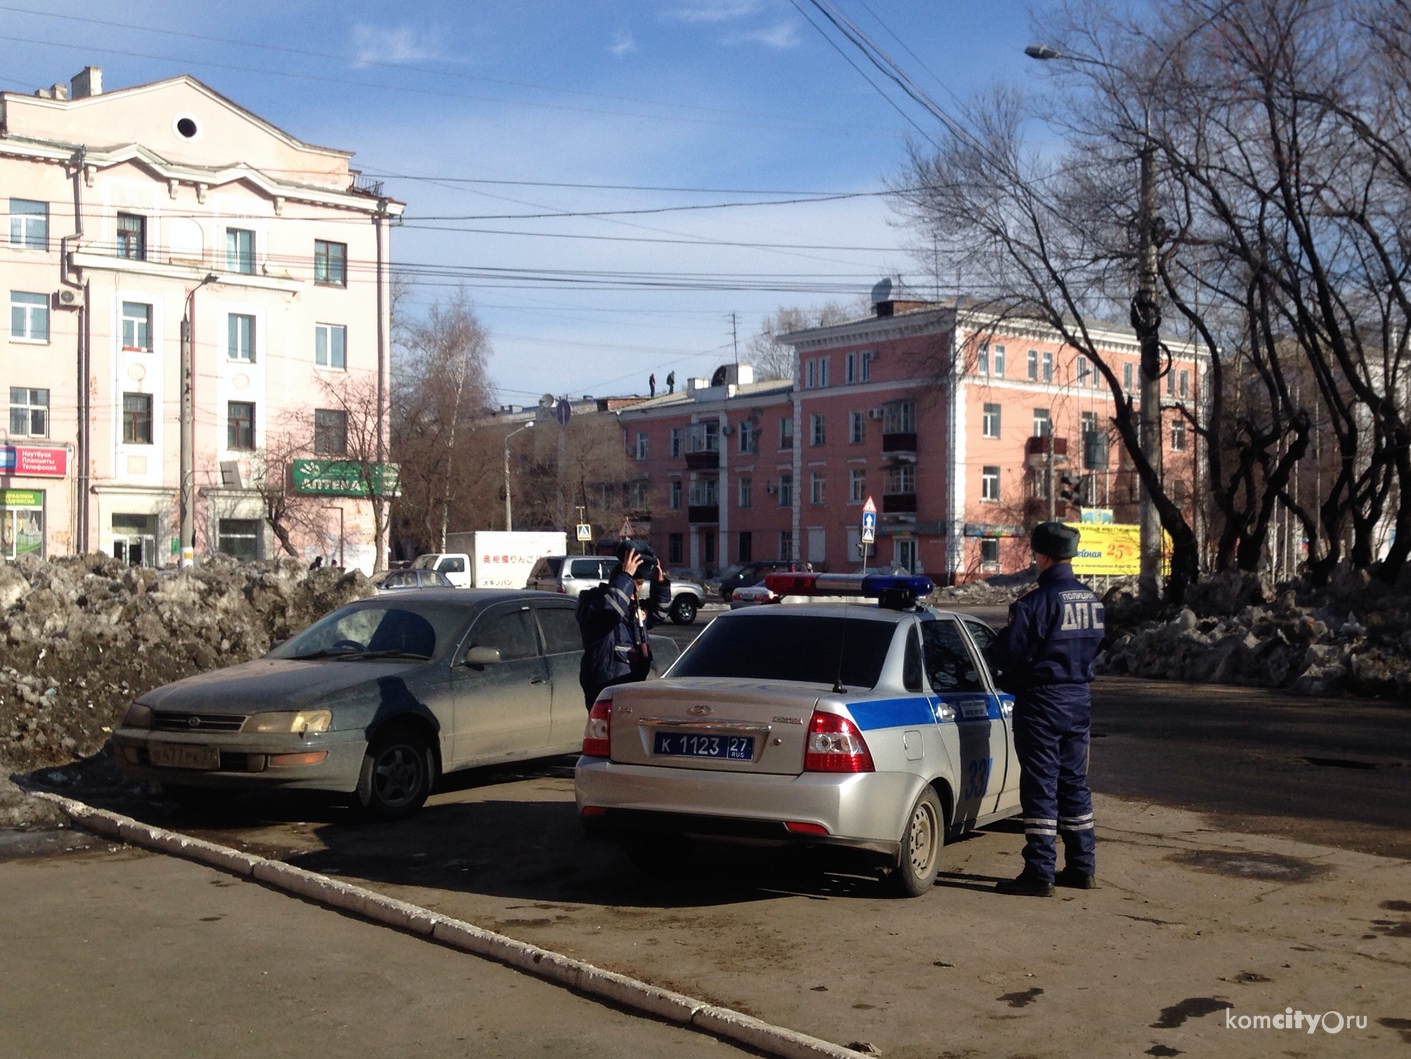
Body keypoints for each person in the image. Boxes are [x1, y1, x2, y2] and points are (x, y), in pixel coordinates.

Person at [986, 521, 1105, 897]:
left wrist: (1004, 671)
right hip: (1079, 700)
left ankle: (1039, 873)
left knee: (1040, 786)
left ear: (1042, 556)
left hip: (1042, 703)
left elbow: (1009, 654)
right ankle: (1082, 867)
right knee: (1074, 784)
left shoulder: (1034, 603)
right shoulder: (1091, 601)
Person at [576, 540, 672, 709]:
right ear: (618, 584)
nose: (635, 596)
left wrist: (659, 582)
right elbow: (610, 611)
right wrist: (626, 576)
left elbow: (659, 613)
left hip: (631, 686)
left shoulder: (630, 609)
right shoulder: (594, 605)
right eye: (632, 590)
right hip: (605, 689)